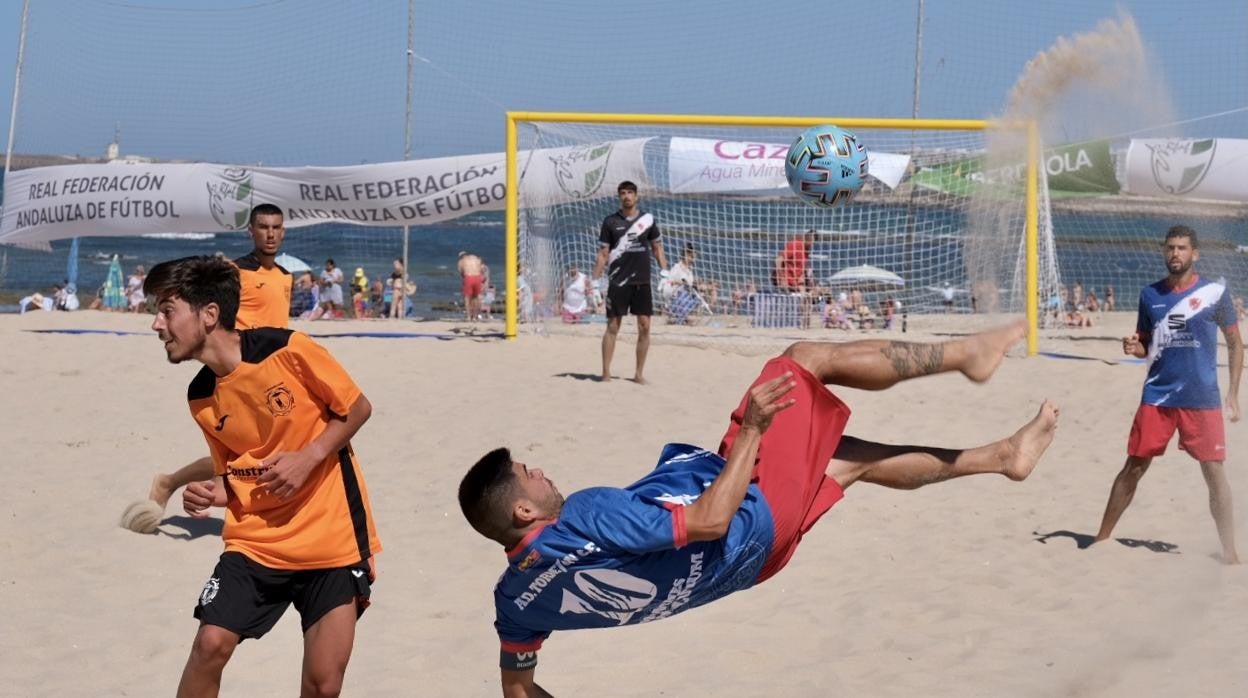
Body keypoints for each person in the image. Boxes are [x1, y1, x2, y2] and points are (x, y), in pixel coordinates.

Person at [459, 321, 1056, 696]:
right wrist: (752, 431)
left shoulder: (514, 602)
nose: (539, 471)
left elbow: (518, 690)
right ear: (522, 513)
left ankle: (1004, 456)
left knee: (853, 461)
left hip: (747, 567)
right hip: (742, 519)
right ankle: (968, 354)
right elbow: (708, 522)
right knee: (803, 359)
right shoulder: (584, 513)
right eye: (526, 475)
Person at [142, 255, 380, 697]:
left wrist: (309, 457)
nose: (157, 325)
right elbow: (234, 471)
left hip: (331, 538)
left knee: (323, 685)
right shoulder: (200, 395)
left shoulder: (288, 349)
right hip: (256, 542)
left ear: (209, 315)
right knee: (209, 645)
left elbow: (357, 408)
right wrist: (215, 491)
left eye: (167, 311)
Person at [120, 203, 295, 534]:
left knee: (259, 453)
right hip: (236, 373)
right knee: (238, 458)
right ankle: (170, 482)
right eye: (263, 227)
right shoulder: (234, 272)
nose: (270, 234)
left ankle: (169, 482)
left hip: (273, 371)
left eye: (276, 227)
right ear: (251, 231)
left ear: (283, 231)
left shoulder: (286, 277)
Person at [1093, 225, 1243, 563]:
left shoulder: (1214, 294)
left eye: (1182, 248)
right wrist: (1135, 346)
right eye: (1170, 248)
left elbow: (1235, 344)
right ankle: (1101, 538)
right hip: (1158, 396)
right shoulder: (1150, 295)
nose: (1175, 254)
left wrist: (1233, 393)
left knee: (1214, 472)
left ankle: (1230, 553)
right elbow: (1146, 343)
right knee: (1133, 466)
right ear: (1165, 252)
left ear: (1195, 254)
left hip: (1202, 396)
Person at [592, 180, 668, 383]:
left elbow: (657, 248)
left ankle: (638, 374)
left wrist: (665, 273)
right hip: (618, 282)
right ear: (619, 197)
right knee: (613, 326)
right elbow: (603, 254)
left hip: (642, 282)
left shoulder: (647, 220)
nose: (626, 196)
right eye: (623, 193)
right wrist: (594, 282)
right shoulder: (610, 222)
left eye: (630, 193)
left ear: (636, 196)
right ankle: (606, 373)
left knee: (644, 326)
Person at [458, 251, 487, 322]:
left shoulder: (461, 261)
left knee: (467, 298)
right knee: (475, 297)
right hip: (477, 277)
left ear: (461, 256)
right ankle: (474, 317)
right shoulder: (475, 258)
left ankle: (468, 317)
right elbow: (482, 268)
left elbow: (461, 272)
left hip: (468, 277)